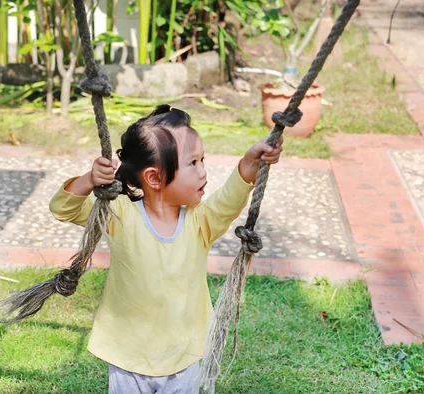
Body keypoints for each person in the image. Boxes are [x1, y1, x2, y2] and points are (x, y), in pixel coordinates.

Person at [49, 104, 283, 393]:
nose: (203, 172)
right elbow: (63, 209)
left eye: (202, 160)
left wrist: (250, 162)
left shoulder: (200, 223)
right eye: (193, 163)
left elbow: (229, 199)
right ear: (154, 178)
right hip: (128, 357)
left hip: (183, 357)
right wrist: (89, 180)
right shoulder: (120, 216)